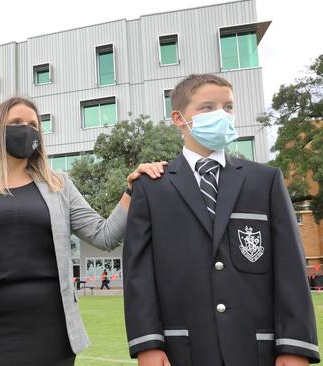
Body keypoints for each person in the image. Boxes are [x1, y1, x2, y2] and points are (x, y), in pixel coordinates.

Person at [0, 96, 167, 366]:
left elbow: (104, 235)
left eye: (34, 125)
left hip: (52, 331)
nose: (26, 129)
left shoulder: (59, 185)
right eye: (16, 122)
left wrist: (133, 189)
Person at [123, 74, 319, 366]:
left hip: (255, 349)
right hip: (183, 349)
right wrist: (147, 344)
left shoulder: (264, 181)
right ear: (178, 118)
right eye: (207, 108)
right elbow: (138, 274)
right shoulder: (150, 188)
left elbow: (290, 267)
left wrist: (294, 348)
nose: (222, 115)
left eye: (228, 107)